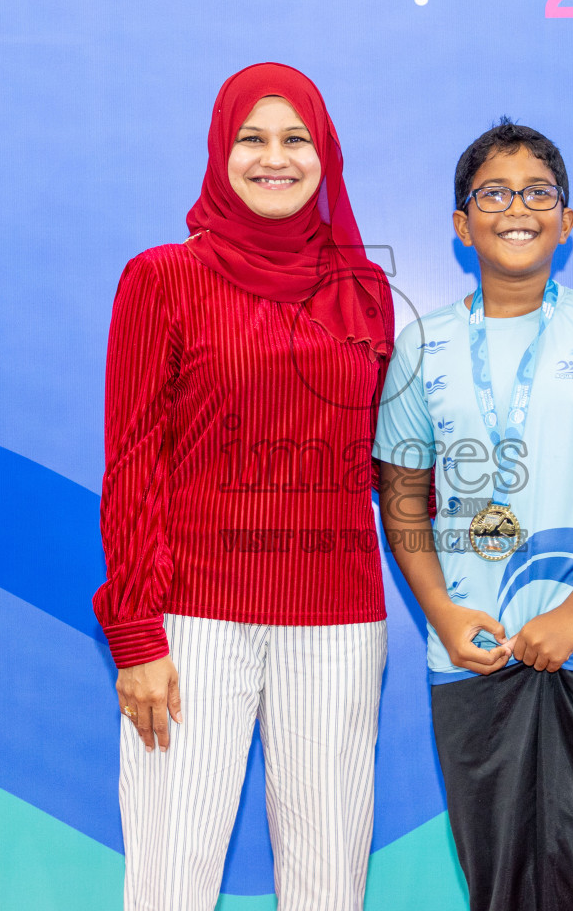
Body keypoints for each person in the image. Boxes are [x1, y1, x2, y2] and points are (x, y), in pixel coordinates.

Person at [93, 62, 394, 911]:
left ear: (324, 154)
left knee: (331, 878)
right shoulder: (162, 278)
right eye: (251, 139)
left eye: (295, 139)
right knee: (170, 878)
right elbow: (133, 462)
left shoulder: (364, 290)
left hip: (337, 618)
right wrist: (137, 634)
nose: (276, 158)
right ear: (220, 155)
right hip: (191, 620)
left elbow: (390, 454)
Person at [373, 118, 573, 911]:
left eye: (539, 192)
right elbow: (402, 496)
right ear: (461, 223)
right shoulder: (421, 346)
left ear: (567, 221)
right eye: (495, 193)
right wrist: (440, 611)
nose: (518, 208)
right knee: (500, 878)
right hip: (477, 653)